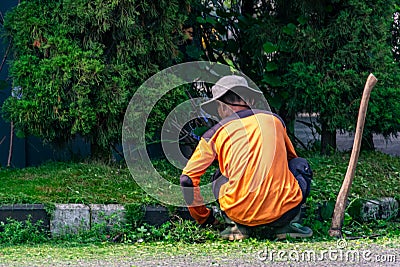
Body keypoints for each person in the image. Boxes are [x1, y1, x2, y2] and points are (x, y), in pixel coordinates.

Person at [180, 75, 313, 240]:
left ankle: (236, 228)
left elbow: (187, 179)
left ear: (219, 106)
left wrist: (204, 218)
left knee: (218, 177)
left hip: (238, 213)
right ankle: (287, 227)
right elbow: (290, 160)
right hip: (283, 211)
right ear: (250, 99)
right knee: (300, 165)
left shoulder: (213, 134)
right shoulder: (275, 121)